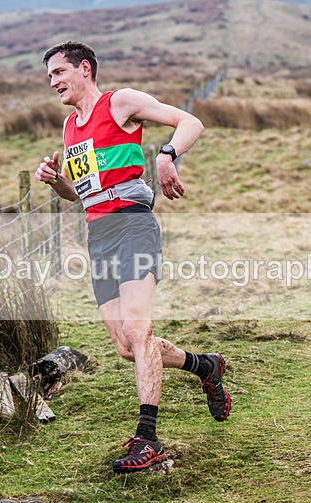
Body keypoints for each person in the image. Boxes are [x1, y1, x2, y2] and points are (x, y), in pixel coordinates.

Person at [34, 41, 231, 474]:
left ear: (84, 69)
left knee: (139, 331)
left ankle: (148, 440)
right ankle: (206, 366)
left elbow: (189, 120)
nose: (53, 82)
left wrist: (166, 155)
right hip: (98, 235)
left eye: (59, 72)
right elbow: (81, 195)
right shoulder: (70, 128)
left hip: (133, 225)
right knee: (127, 347)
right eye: (49, 76)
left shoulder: (119, 103)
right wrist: (55, 182)